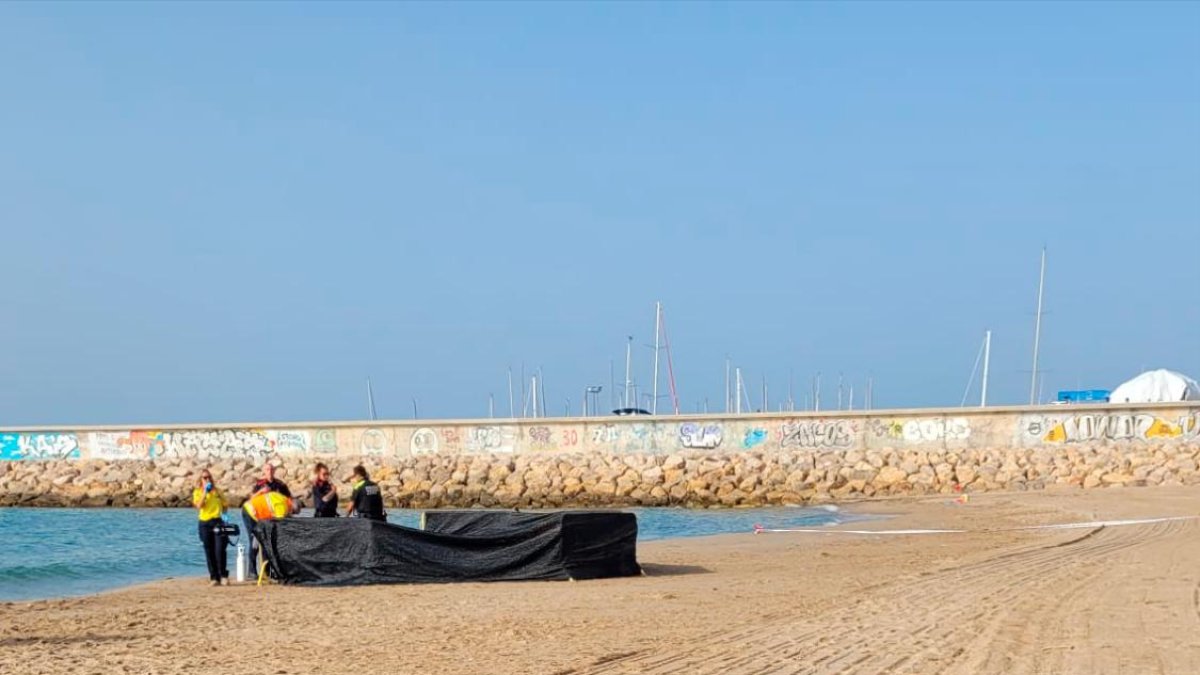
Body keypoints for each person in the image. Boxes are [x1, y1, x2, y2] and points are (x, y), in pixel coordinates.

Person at [242, 462, 296, 575]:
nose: (269, 472)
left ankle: (267, 570)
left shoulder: (280, 485)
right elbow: (251, 499)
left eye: (271, 469)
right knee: (255, 541)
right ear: (264, 471)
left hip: (271, 518)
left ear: (274, 471)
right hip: (255, 514)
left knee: (269, 543)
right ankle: (252, 571)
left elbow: (289, 500)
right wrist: (260, 492)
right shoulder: (260, 484)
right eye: (267, 470)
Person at [192, 469, 229, 586]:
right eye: (204, 478)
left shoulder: (217, 492)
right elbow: (199, 506)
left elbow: (225, 505)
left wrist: (225, 516)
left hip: (218, 522)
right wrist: (205, 493)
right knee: (209, 551)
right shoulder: (197, 492)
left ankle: (223, 575)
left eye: (209, 477)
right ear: (201, 480)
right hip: (205, 523)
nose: (207, 480)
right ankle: (214, 577)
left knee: (220, 549)